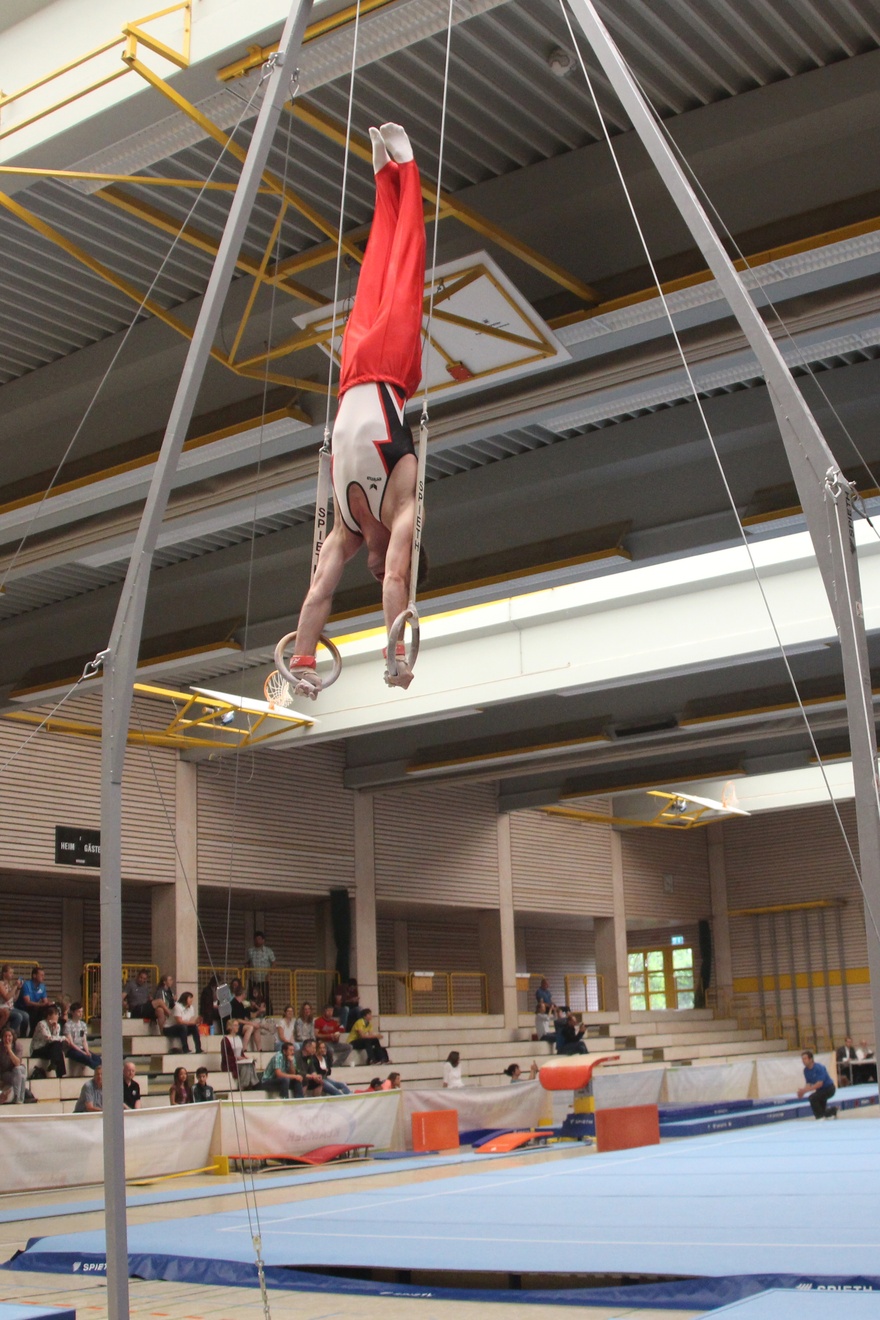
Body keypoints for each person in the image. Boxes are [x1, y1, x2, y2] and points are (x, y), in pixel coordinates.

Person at [284, 123, 427, 697]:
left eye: (367, 574)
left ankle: (379, 178)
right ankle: (406, 167)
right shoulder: (401, 511)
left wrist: (301, 659)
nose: (373, 571)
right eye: (387, 564)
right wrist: (396, 657)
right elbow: (396, 578)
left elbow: (319, 593)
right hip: (392, 367)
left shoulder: (343, 533)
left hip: (349, 375)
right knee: (405, 266)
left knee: (374, 265)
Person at [797, 1050, 838, 1119]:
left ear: (811, 1059)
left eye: (805, 1059)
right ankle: (833, 1110)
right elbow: (809, 1083)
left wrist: (805, 1090)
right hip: (820, 1091)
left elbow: (819, 1084)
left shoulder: (819, 1068)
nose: (803, 1061)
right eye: (802, 1059)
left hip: (829, 1089)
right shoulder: (806, 1070)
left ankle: (819, 1117)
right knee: (822, 1111)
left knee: (812, 1098)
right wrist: (803, 1091)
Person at [63, 1002, 101, 1071]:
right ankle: (98, 1071)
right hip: (72, 1050)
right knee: (86, 1059)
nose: (81, 1014)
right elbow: (71, 1043)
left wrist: (87, 1051)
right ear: (72, 1012)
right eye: (78, 1012)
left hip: (81, 1048)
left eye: (82, 1011)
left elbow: (84, 1040)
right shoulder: (68, 1025)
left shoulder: (83, 1025)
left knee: (97, 1058)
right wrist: (82, 1052)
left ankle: (100, 1070)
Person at [221, 1018, 257, 1091]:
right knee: (245, 1066)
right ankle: (243, 1085)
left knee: (250, 1063)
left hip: (239, 1060)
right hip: (231, 1062)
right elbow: (225, 1056)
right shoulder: (225, 1040)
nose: (237, 1027)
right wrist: (237, 1058)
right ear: (230, 1027)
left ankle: (252, 1083)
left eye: (238, 1025)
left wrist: (246, 1058)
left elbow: (241, 1053)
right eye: (235, 1025)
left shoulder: (238, 1038)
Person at [30, 1007, 67, 1078]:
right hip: (38, 1049)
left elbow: (55, 1038)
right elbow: (49, 1039)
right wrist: (64, 1038)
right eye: (55, 1014)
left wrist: (55, 1028)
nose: (57, 1016)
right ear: (49, 1016)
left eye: (57, 1014)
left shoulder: (58, 1025)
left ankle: (57, 1069)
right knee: (58, 1045)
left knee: (58, 1046)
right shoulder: (41, 1024)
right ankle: (57, 1068)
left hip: (51, 1050)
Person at [245, 932, 275, 1013]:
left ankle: (269, 1013)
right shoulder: (250, 951)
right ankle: (251, 1012)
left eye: (259, 939)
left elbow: (273, 963)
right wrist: (246, 973)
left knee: (265, 996)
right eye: (255, 939)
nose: (257, 941)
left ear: (263, 940)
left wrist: (269, 974)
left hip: (264, 979)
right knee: (251, 996)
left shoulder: (268, 951)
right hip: (253, 978)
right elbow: (247, 963)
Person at [16, 966, 52, 1034]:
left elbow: (45, 1001)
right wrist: (41, 1004)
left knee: (48, 1010)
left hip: (35, 1007)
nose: (43, 977)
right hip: (23, 1007)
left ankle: (44, 1032)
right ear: (34, 975)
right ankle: (27, 1034)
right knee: (33, 1012)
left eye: (44, 975)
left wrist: (49, 1004)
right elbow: (27, 1002)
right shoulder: (27, 985)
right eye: (41, 975)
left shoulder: (42, 986)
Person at [0, 1026, 27, 1104]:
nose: (7, 1038)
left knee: (18, 1070)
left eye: (9, 1036)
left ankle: (16, 1097)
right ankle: (19, 1099)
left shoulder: (18, 1046)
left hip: (17, 1068)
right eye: (5, 1036)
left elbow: (17, 1063)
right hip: (6, 1072)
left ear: (13, 1037)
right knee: (21, 1076)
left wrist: (9, 1050)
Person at [0, 965, 28, 1037]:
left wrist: (18, 989)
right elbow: (6, 997)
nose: (12, 975)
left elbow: (14, 998)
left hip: (11, 1007)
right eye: (10, 973)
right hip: (3, 1007)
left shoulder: (9, 984)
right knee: (18, 1016)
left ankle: (23, 1035)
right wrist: (15, 986)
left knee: (26, 1016)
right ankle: (8, 1034)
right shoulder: (1, 984)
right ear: (4, 974)